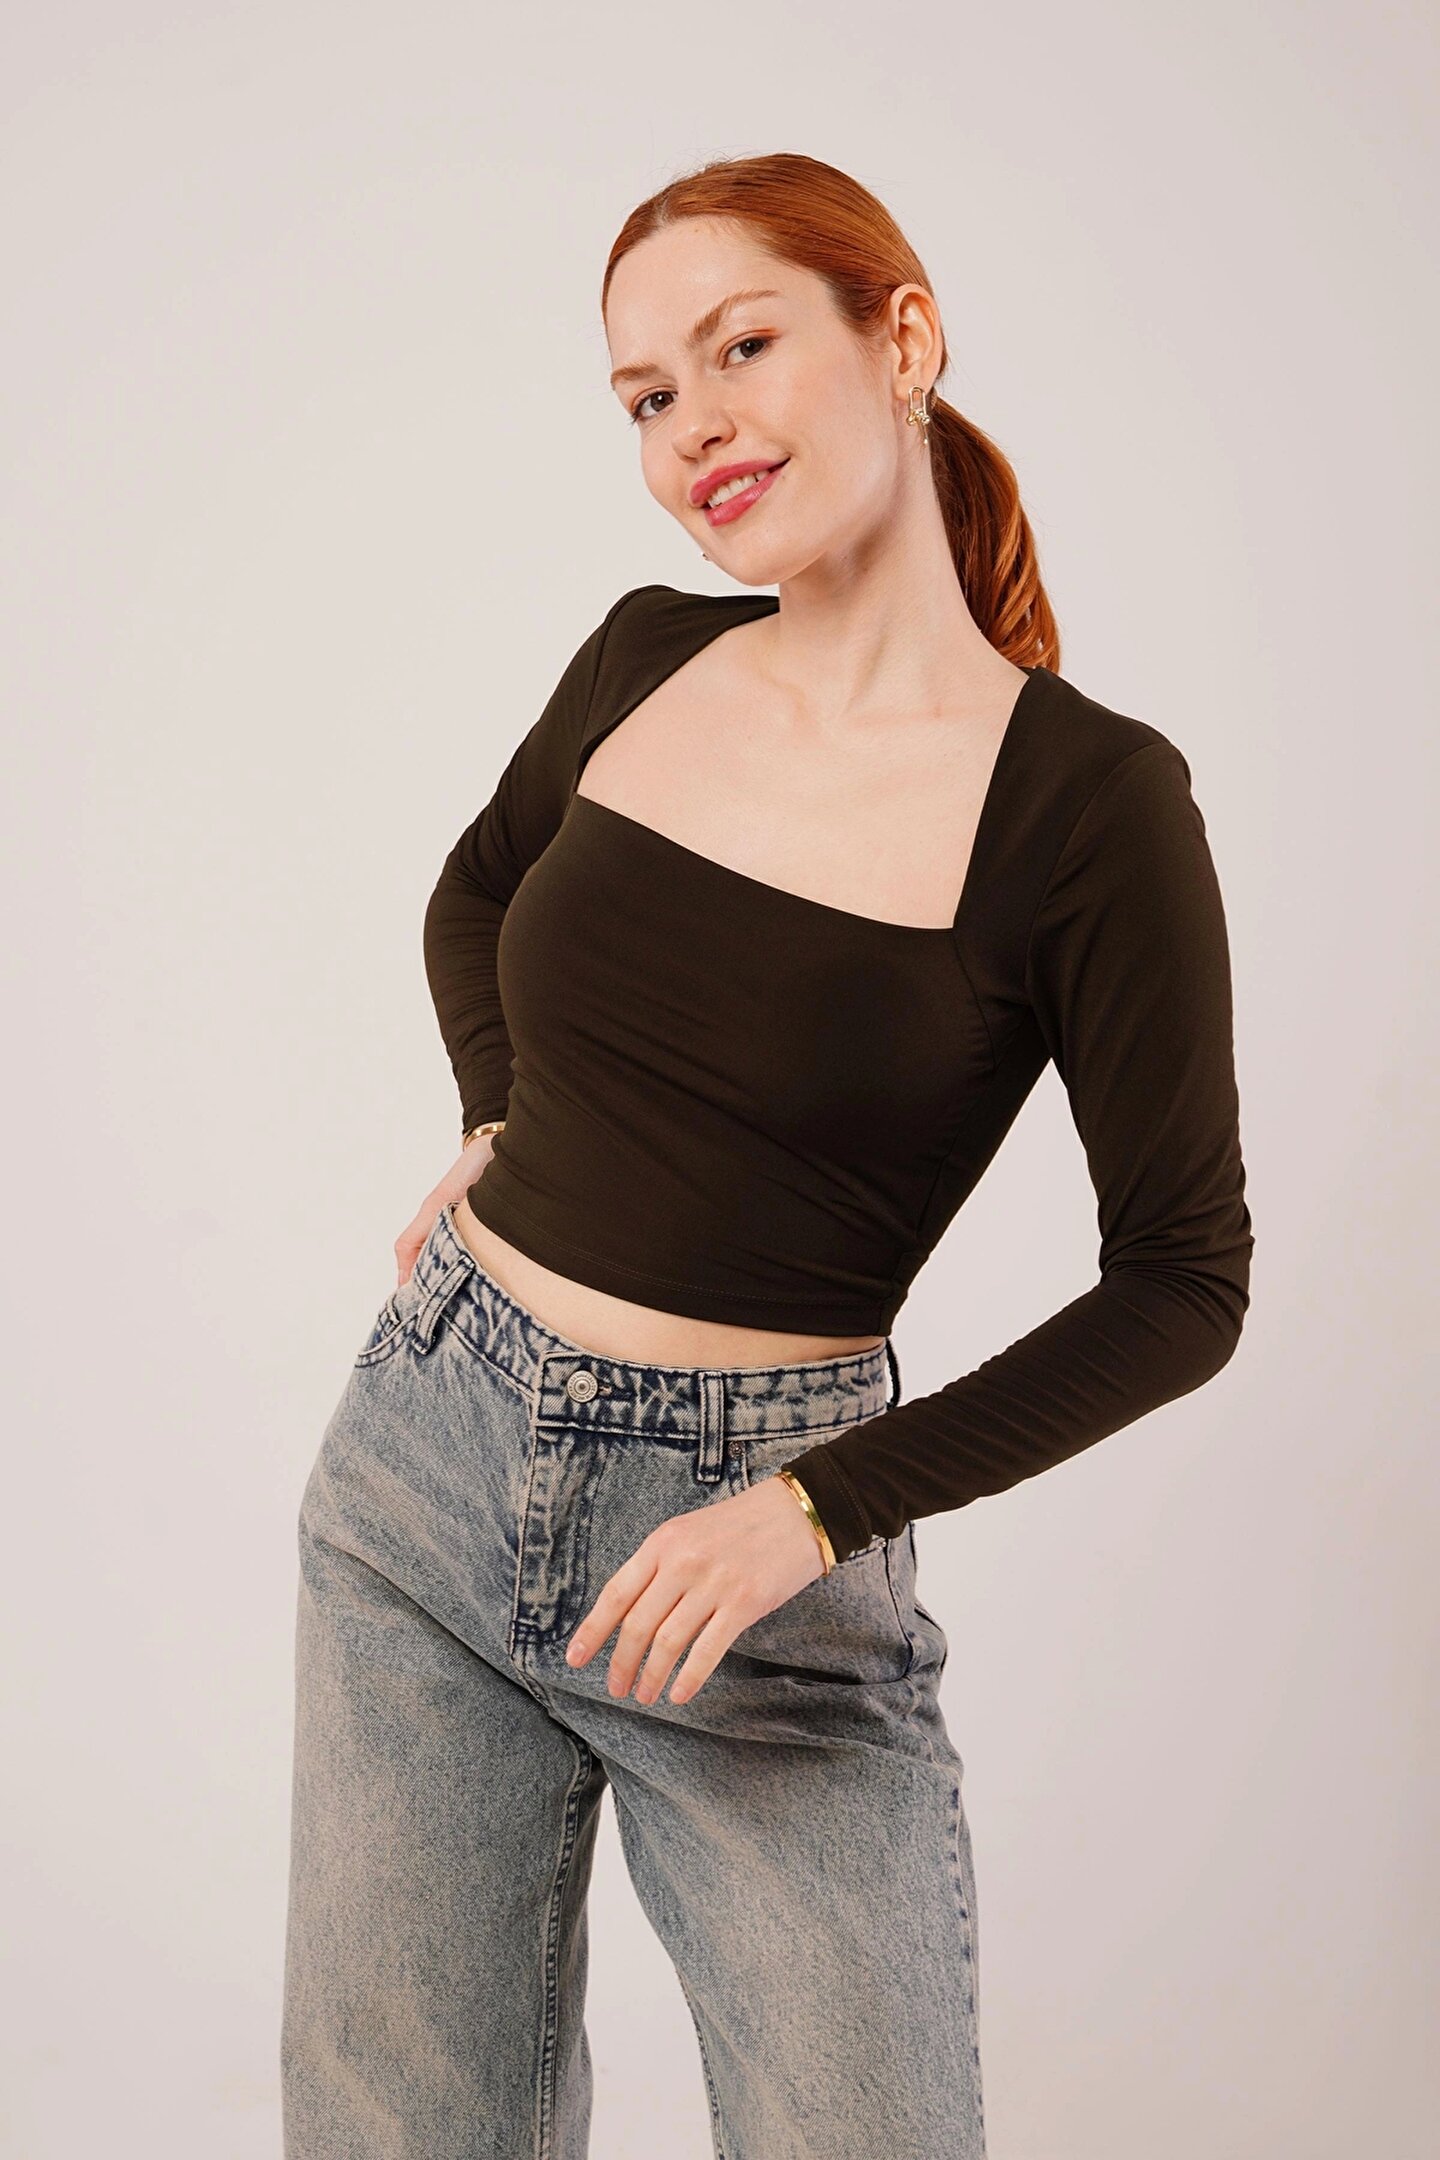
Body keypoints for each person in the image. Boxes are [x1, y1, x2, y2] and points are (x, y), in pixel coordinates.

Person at [280, 151, 1253, 2160]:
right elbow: (477, 890)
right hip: (420, 1475)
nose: (694, 425)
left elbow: (1184, 1280)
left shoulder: (1086, 805)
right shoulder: (646, 655)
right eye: (648, 394)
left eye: (740, 348)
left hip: (760, 1565)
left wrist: (811, 1512)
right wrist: (496, 1113)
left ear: (904, 338)